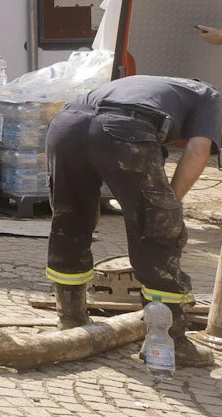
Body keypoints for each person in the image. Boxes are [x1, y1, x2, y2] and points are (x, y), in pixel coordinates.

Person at [45, 75, 219, 367]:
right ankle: (169, 341)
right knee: (158, 231)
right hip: (122, 129)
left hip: (66, 123)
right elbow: (198, 150)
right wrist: (168, 205)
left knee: (70, 221)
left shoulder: (156, 86)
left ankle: (71, 319)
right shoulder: (210, 96)